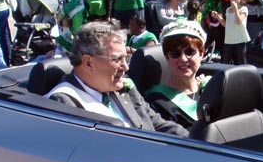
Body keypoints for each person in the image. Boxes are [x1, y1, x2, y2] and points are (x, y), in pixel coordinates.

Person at [46, 21, 187, 137]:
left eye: (126, 58)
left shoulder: (121, 88)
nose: (125, 67)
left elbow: (156, 124)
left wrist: (197, 143)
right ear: (88, 62)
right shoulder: (65, 104)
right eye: (117, 59)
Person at [145, 20, 206, 129]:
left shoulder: (211, 90)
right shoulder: (157, 102)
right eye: (175, 54)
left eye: (190, 52)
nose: (183, 58)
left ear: (201, 54)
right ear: (167, 57)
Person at [212, 0, 250, 65]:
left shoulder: (243, 9)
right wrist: (218, 17)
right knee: (226, 62)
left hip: (240, 40)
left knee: (240, 62)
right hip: (229, 40)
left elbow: (238, 21)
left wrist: (236, 10)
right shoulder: (228, 10)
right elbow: (226, 24)